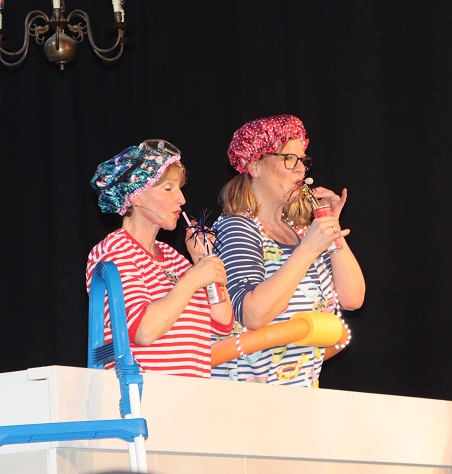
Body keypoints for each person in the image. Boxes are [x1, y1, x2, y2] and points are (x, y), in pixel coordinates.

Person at [211, 115, 365, 386]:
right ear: (254, 165)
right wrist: (307, 250)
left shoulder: (301, 232)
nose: (300, 169)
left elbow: (353, 299)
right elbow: (252, 314)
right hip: (247, 398)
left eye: (303, 160)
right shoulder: (238, 227)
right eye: (289, 159)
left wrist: (330, 224)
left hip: (298, 394)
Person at [87, 139, 234, 377]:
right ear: (135, 196)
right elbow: (143, 331)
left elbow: (223, 322)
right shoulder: (115, 250)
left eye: (180, 188)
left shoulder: (173, 258)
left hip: (190, 393)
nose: (181, 199)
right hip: (146, 394)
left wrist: (202, 260)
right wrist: (192, 280)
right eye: (168, 188)